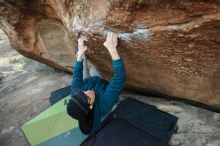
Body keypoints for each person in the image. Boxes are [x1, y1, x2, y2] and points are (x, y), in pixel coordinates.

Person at [67, 32, 126, 145]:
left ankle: (82, 57)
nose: (87, 92)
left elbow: (76, 74)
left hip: (89, 82)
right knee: (94, 70)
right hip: (100, 85)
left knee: (84, 67)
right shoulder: (104, 103)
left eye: (81, 92)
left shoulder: (76, 93)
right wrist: (113, 50)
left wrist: (79, 54)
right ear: (90, 105)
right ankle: (85, 61)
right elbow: (119, 79)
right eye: (87, 97)